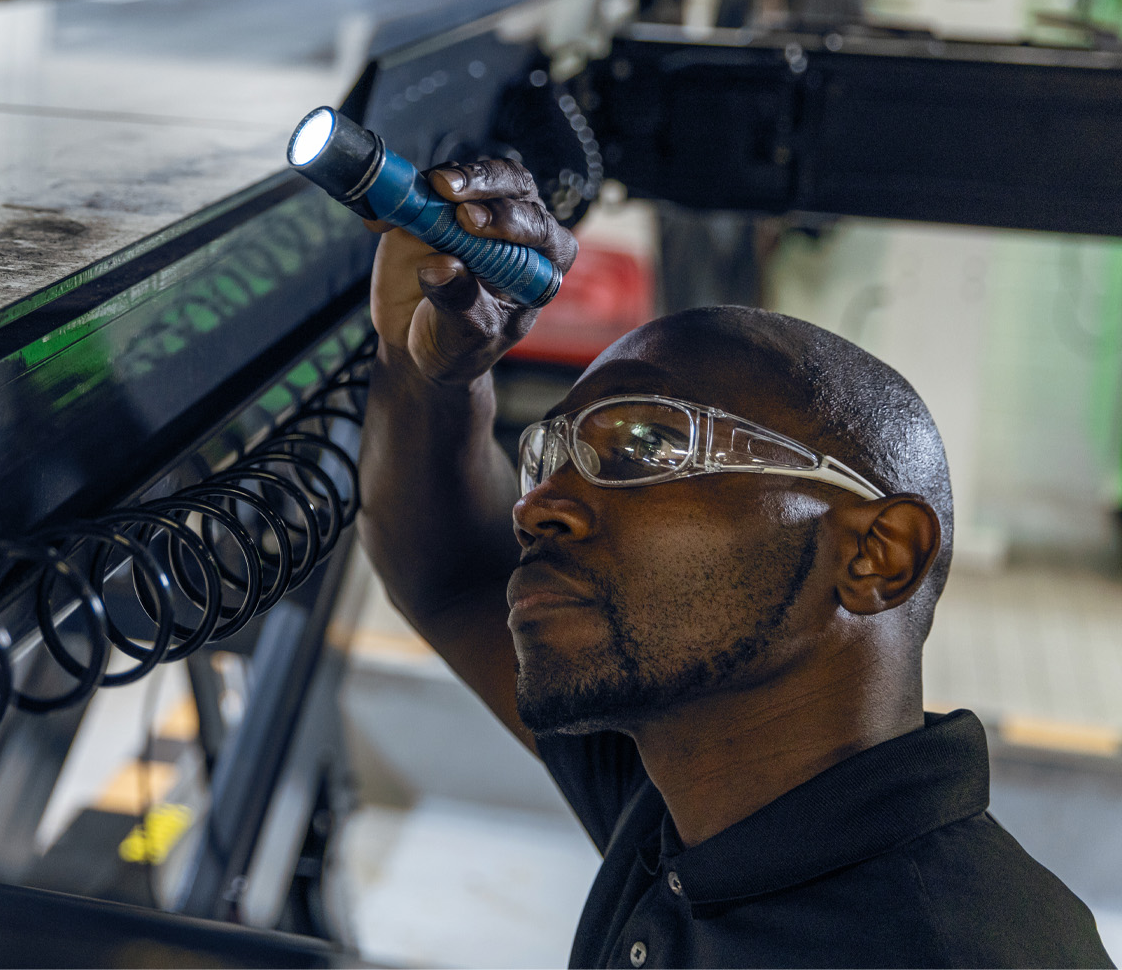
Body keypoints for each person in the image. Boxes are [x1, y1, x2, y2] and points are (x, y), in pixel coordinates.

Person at [357, 156, 1114, 968]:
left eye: (649, 445)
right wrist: (429, 369)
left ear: (877, 555)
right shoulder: (691, 803)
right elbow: (450, 576)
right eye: (550, 458)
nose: (536, 505)